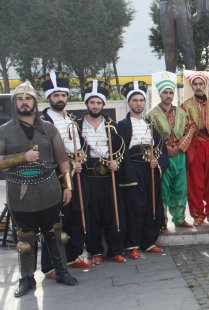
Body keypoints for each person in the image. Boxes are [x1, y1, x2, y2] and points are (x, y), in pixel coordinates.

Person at [1, 81, 78, 297]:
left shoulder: (49, 129)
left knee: (55, 233)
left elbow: (63, 163)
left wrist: (68, 188)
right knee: (25, 239)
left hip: (49, 188)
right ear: (14, 102)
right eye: (20, 99)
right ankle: (27, 279)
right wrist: (22, 157)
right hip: (20, 191)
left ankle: (62, 272)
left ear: (34, 102)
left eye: (28, 99)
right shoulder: (5, 132)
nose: (24, 103)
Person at [37, 71, 92, 272]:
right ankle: (50, 265)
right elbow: (44, 152)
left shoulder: (71, 119)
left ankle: (72, 255)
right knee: (54, 220)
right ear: (48, 97)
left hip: (77, 175)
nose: (60, 99)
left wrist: (80, 158)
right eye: (56, 95)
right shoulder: (41, 122)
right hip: (55, 178)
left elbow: (81, 145)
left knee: (78, 214)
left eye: (63, 95)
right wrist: (68, 164)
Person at [77, 81, 127, 264]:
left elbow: (121, 150)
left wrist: (117, 164)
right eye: (92, 103)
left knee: (113, 214)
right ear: (87, 104)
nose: (95, 106)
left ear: (103, 105)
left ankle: (116, 250)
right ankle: (95, 251)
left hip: (109, 176)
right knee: (92, 215)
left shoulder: (112, 126)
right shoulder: (77, 126)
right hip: (88, 176)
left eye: (98, 103)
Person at [117, 81, 168, 259]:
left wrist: (158, 163)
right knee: (135, 208)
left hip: (150, 169)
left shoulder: (150, 124)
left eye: (141, 100)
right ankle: (133, 245)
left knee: (151, 206)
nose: (138, 103)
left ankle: (149, 241)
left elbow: (161, 148)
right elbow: (120, 151)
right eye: (135, 100)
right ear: (129, 103)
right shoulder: (122, 126)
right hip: (133, 171)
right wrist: (129, 174)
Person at [147, 71, 194, 228]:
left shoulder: (181, 112)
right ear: (160, 94)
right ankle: (162, 222)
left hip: (180, 155)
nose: (168, 95)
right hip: (163, 156)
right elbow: (148, 136)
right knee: (163, 189)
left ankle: (179, 218)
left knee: (181, 187)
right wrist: (165, 147)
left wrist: (180, 146)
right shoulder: (151, 115)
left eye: (171, 92)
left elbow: (190, 128)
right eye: (165, 92)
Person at [180, 70, 209, 226]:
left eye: (201, 84)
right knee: (195, 183)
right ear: (192, 86)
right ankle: (198, 215)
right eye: (195, 84)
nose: (198, 87)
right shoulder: (184, 106)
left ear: (205, 85)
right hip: (195, 145)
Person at [159, 0, 195, 72]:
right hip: (165, 6)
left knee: (187, 42)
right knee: (169, 44)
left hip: (182, 5)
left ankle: (191, 74)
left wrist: (199, 10)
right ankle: (170, 76)